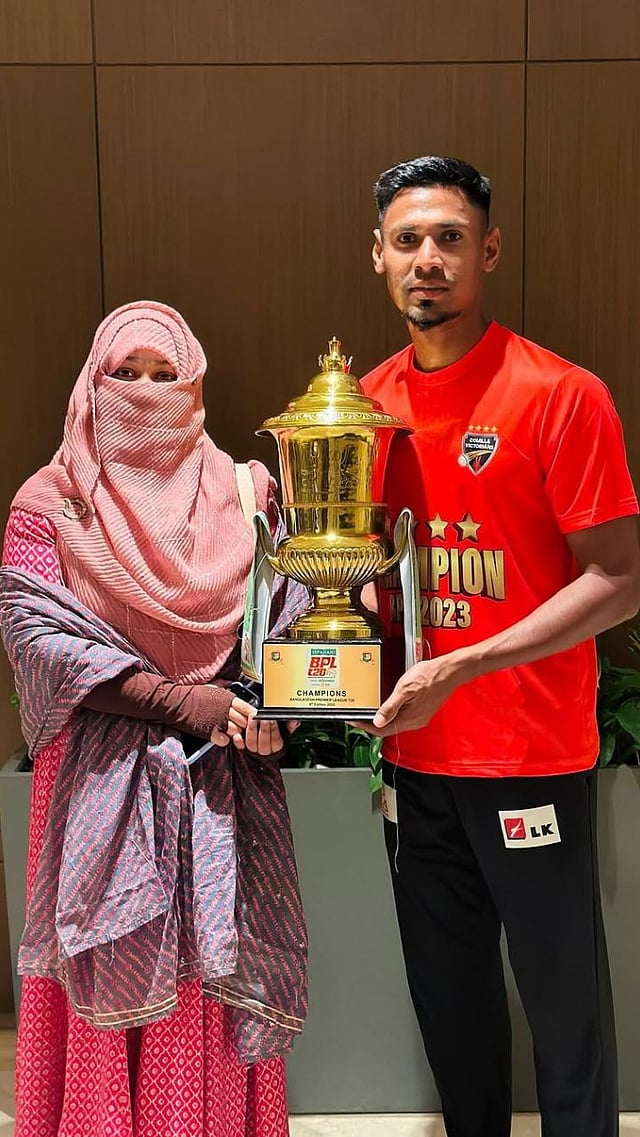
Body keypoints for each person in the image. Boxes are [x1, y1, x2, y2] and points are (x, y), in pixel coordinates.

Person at [358, 156, 640, 1137]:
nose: (427, 259)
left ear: (489, 250)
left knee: (565, 1011)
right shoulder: (363, 406)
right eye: (407, 240)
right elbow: (369, 575)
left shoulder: (560, 394)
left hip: (529, 757)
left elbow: (618, 579)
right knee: (452, 1008)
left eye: (449, 238)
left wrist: (463, 664)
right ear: (379, 257)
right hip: (414, 760)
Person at [0, 300, 307, 1137]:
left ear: (195, 384)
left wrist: (271, 708)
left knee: (203, 979)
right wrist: (180, 702)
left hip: (216, 777)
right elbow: (38, 638)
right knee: (106, 967)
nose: (143, 389)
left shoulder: (248, 492)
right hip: (95, 779)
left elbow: (284, 615)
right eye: (125, 372)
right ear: (91, 383)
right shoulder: (52, 502)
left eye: (164, 373)